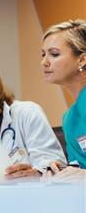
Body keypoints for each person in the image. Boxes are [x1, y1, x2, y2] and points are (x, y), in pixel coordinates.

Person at [41, 19, 86, 182]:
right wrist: (61, 171)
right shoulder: (69, 119)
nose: (44, 62)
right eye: (43, 54)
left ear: (81, 59)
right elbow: (80, 168)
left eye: (54, 54)